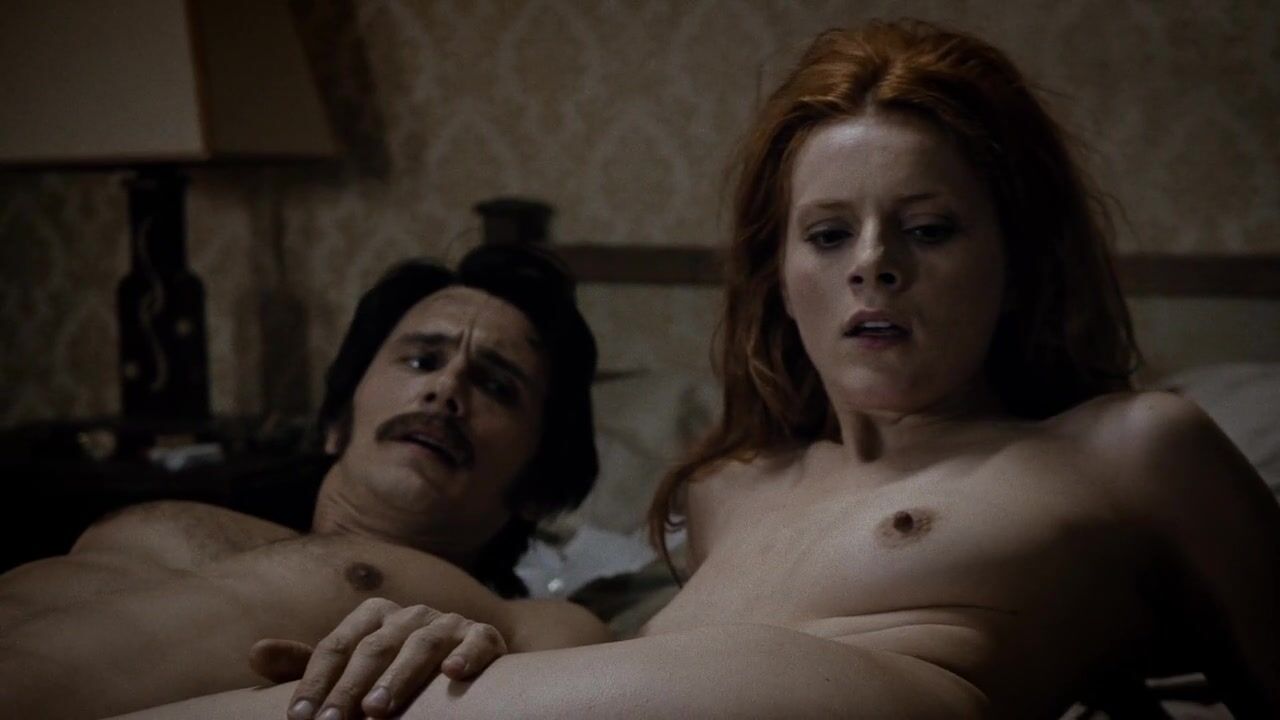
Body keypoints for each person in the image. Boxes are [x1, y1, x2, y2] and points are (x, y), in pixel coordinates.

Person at [116, 20, 1280, 719]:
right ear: (778, 273)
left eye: (927, 229)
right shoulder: (720, 492)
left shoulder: (1130, 449)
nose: (872, 266)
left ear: (1013, 258)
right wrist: (472, 650)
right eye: (827, 234)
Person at [0, 243, 610, 720]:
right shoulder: (185, 516)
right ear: (336, 422)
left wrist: (484, 665)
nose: (444, 389)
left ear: (537, 487)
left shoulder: (517, 623)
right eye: (421, 359)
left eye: (496, 386)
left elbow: (602, 689)